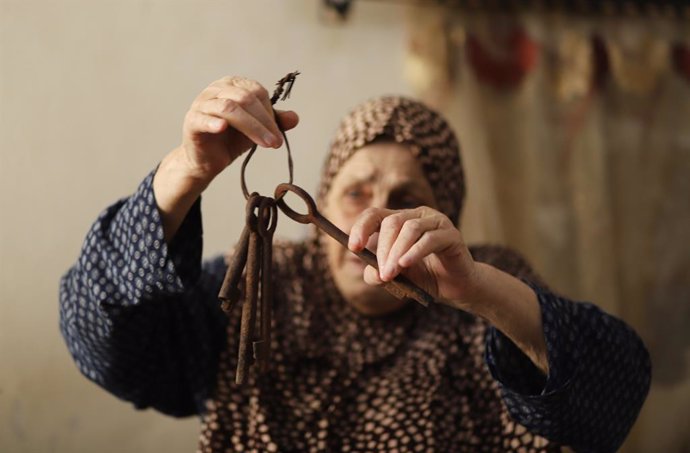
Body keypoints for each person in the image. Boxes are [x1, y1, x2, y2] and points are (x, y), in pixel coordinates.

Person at [59, 76, 651, 453]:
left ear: (445, 219)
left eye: (407, 197)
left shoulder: (486, 291)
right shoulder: (256, 289)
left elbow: (613, 401)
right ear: (318, 197)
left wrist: (479, 291)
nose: (375, 219)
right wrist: (183, 174)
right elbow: (100, 342)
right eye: (356, 191)